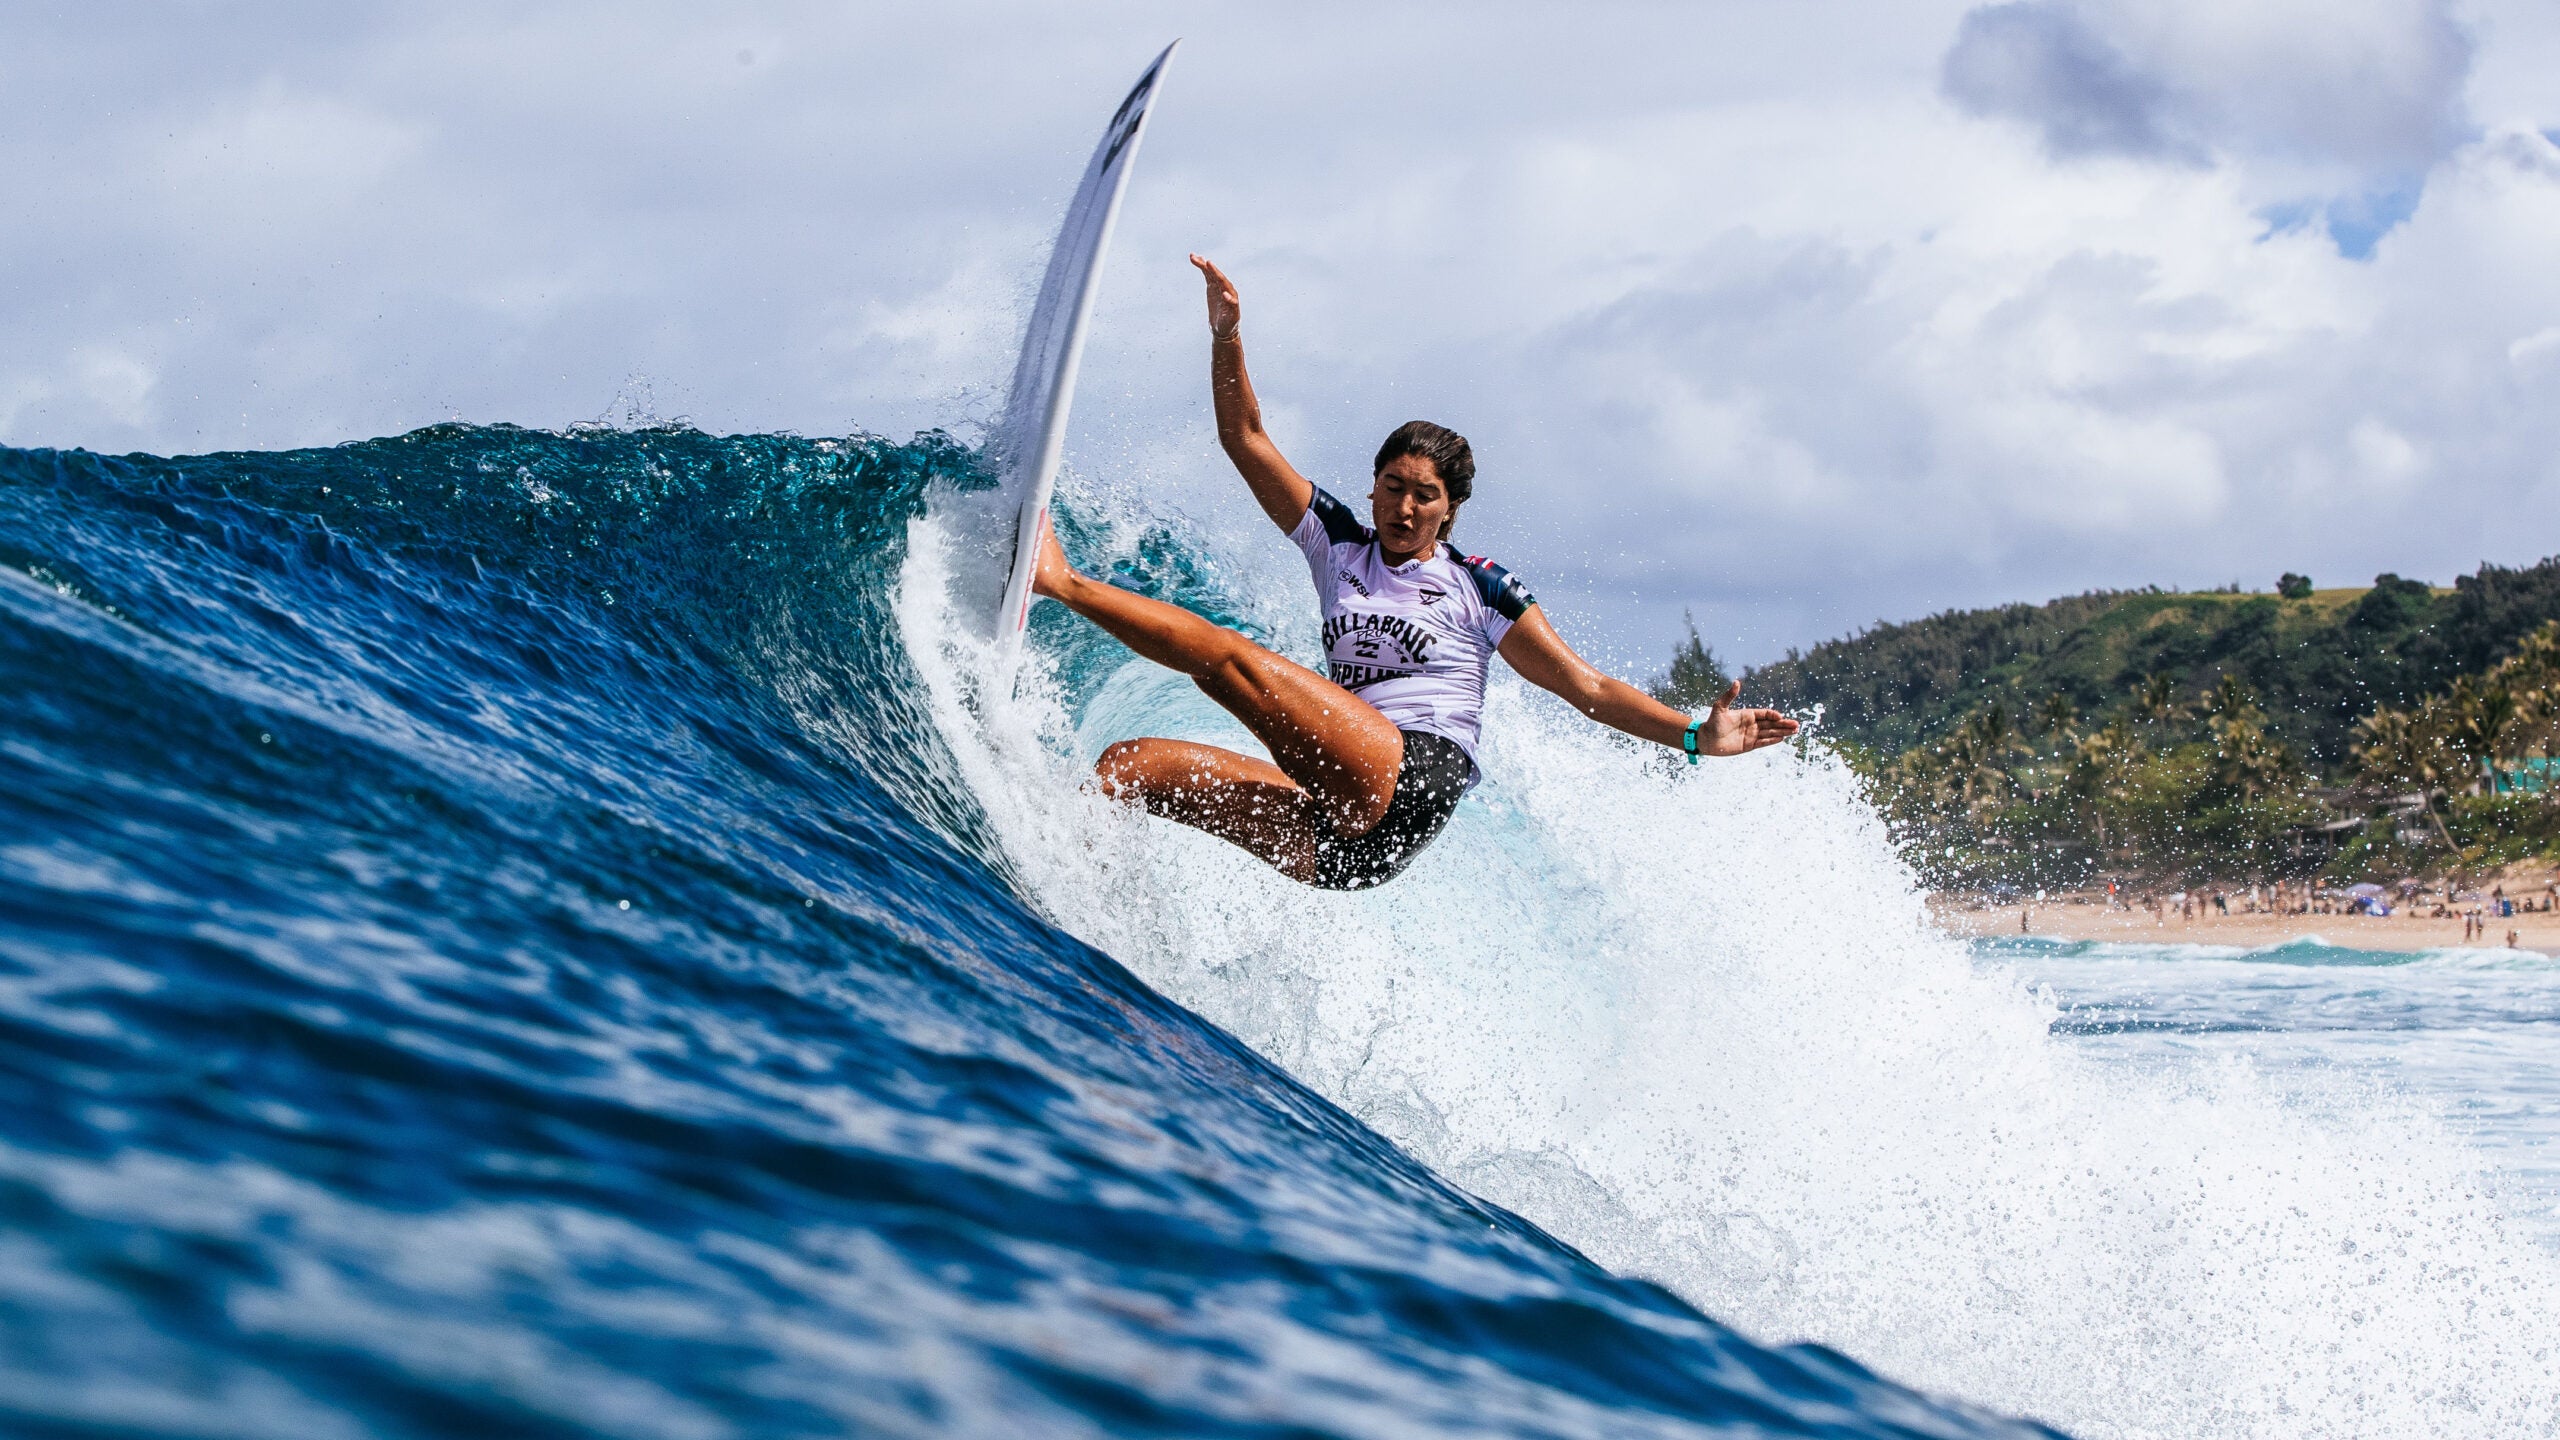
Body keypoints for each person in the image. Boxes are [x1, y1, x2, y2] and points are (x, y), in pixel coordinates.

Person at [1026, 254, 1800, 889]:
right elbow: (1247, 440)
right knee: (1126, 769)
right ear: (1372, 488)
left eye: (1423, 496)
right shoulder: (1339, 543)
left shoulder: (1481, 589)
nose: (1402, 508)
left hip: (1408, 788)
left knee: (1231, 659)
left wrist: (1695, 736)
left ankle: (1059, 581)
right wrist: (1228, 335)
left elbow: (1588, 690)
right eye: (1391, 488)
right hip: (1336, 839)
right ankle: (1077, 902)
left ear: (1449, 510)